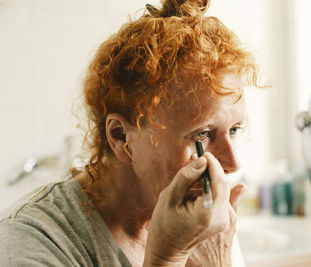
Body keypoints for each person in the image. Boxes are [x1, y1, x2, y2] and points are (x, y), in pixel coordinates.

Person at [0, 0, 259, 266]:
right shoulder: (30, 241)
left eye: (235, 129)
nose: (232, 164)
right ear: (121, 137)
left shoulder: (203, 222)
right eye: (202, 135)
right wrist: (168, 259)